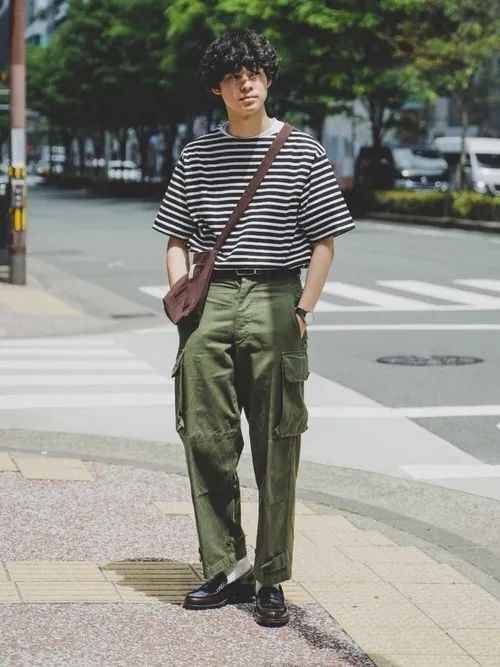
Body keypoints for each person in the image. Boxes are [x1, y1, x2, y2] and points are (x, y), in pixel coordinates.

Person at [152, 27, 355, 627]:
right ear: (216, 88)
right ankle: (225, 567)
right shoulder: (197, 155)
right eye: (234, 76)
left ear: (268, 79)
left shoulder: (303, 150)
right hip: (211, 301)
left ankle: (270, 577)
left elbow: (324, 241)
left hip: (275, 296)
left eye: (255, 73)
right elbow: (177, 237)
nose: (246, 84)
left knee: (276, 445)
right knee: (207, 440)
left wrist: (303, 309)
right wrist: (183, 301)